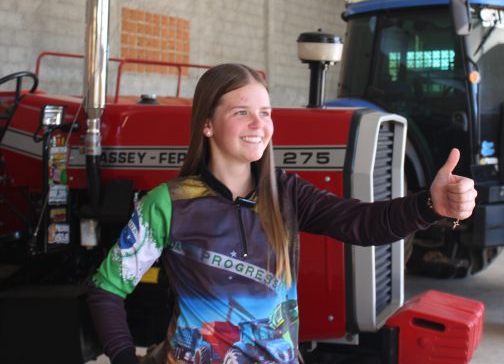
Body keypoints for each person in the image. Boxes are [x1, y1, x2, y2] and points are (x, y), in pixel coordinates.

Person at [87, 63, 476, 364]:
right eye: (243, 112)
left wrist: (429, 204)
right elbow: (106, 289)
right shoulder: (168, 203)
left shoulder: (286, 193)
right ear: (207, 124)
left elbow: (361, 223)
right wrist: (124, 358)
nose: (260, 124)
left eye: (266, 112)